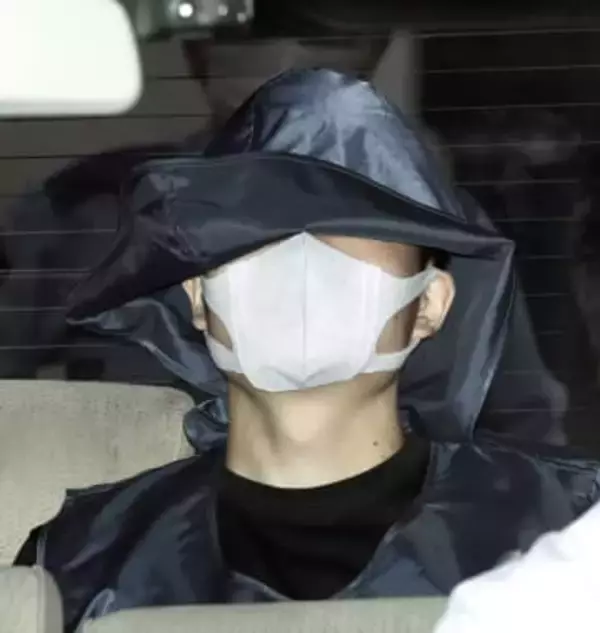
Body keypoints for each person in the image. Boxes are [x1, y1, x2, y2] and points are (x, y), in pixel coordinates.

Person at [15, 69, 597, 632]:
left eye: (350, 225)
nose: (300, 260)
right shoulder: (78, 561)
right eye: (256, 228)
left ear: (429, 303)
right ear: (199, 297)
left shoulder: (571, 529)